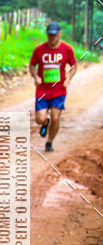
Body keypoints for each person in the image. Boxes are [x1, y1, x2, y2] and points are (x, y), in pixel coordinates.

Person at [29, 22, 77, 152]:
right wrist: (36, 77)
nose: (52, 38)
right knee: (40, 119)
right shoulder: (39, 49)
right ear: (47, 35)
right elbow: (32, 65)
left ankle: (49, 142)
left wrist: (68, 78)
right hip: (42, 91)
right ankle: (45, 123)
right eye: (50, 35)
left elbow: (74, 65)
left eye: (55, 35)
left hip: (59, 90)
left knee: (56, 117)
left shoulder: (67, 49)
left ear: (59, 34)